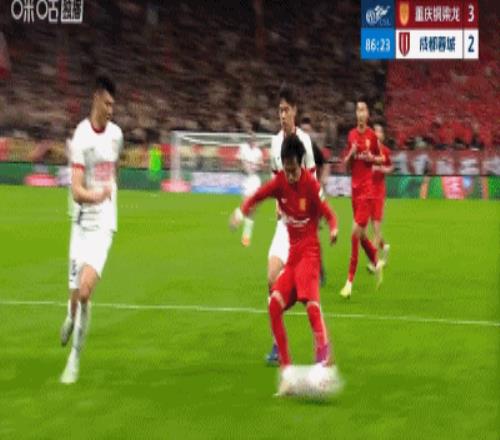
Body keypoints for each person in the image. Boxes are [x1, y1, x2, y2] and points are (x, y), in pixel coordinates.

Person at [230, 134, 340, 394]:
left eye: (293, 169)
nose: (290, 175)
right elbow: (258, 196)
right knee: (274, 305)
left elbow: (329, 213)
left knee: (311, 306)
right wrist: (240, 212)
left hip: (310, 256)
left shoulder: (310, 184)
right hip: (293, 257)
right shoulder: (280, 182)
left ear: (301, 164)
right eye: (286, 169)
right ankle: (287, 373)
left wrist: (334, 228)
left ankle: (324, 363)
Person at [59, 76, 123, 384]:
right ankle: (70, 316)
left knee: (85, 291)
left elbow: (113, 170)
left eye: (113, 105)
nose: (111, 110)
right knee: (74, 296)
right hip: (81, 224)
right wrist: (97, 195)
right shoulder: (81, 137)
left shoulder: (117, 135)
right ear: (96, 98)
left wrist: (108, 197)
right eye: (107, 103)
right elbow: (76, 191)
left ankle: (74, 359)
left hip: (103, 226)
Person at [266, 83, 316, 363]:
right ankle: (276, 344)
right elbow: (276, 179)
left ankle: (320, 347)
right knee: (270, 278)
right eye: (279, 110)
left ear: (295, 110)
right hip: (283, 223)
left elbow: (312, 182)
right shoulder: (274, 143)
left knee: (303, 292)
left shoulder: (305, 142)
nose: (282, 115)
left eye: (286, 109)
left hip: (302, 226)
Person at [340, 100, 384, 299]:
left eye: (363, 110)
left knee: (354, 234)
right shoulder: (351, 135)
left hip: (367, 191)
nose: (360, 113)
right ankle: (376, 261)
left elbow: (381, 158)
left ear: (368, 115)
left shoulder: (372, 136)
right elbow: (347, 165)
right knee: (363, 236)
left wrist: (371, 158)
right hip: (355, 191)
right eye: (358, 110)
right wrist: (351, 154)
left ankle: (349, 282)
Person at [300, 115, 328, 286]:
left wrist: (321, 182)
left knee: (311, 235)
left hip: (313, 196)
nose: (306, 133)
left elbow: (324, 164)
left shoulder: (313, 148)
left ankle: (320, 271)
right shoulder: (294, 148)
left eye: (308, 131)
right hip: (299, 197)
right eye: (303, 130)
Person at [367, 123, 393, 272]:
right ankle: (385, 246)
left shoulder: (385, 151)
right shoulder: (368, 151)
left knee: (376, 228)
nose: (376, 134)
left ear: (383, 135)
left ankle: (373, 262)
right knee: (372, 228)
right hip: (367, 192)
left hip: (378, 193)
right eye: (374, 131)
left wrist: (381, 168)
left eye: (379, 131)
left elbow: (390, 168)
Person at [238, 131, 263, 246]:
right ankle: (238, 217)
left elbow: (261, 164)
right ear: (248, 139)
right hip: (245, 179)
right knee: (246, 204)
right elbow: (239, 162)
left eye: (253, 139)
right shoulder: (243, 148)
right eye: (250, 138)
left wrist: (258, 166)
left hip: (254, 179)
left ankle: (246, 235)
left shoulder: (258, 151)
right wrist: (243, 166)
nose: (252, 140)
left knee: (253, 208)